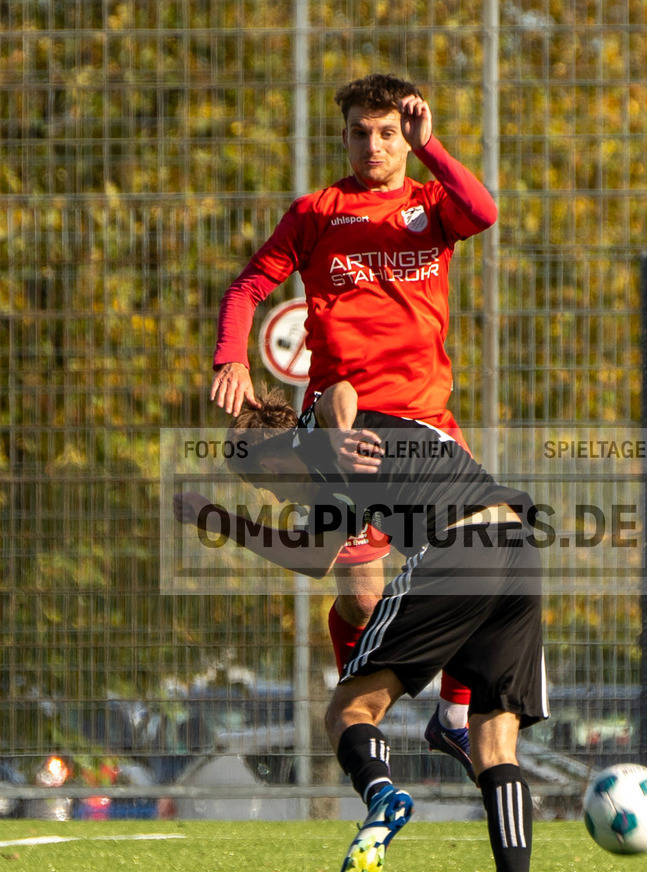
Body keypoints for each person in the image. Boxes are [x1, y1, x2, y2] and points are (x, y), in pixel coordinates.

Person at [174, 382, 547, 872]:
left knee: (348, 709)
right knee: (494, 742)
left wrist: (340, 432)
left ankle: (381, 796)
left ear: (268, 454)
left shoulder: (315, 436)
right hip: (517, 544)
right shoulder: (333, 481)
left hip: (459, 546)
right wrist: (221, 521)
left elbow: (336, 390)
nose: (266, 493)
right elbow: (311, 556)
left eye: (258, 480)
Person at [208, 73, 499, 782]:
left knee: (484, 565)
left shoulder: (432, 205)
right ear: (343, 136)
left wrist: (434, 151)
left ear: (407, 137)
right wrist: (231, 358)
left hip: (426, 421)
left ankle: (453, 718)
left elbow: (483, 211)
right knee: (362, 596)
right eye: (360, 132)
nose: (374, 145)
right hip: (340, 428)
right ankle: (360, 714)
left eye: (388, 133)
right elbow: (249, 286)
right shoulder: (317, 211)